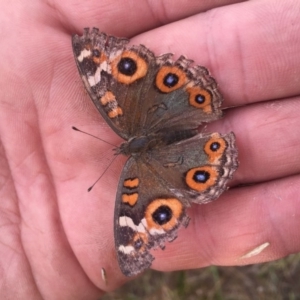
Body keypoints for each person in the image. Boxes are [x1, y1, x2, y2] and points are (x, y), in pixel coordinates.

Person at [0, 0, 299, 298]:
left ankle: (209, 142)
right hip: (171, 105)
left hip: (172, 124)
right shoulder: (119, 118)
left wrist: (90, 54)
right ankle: (200, 114)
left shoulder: (124, 139)